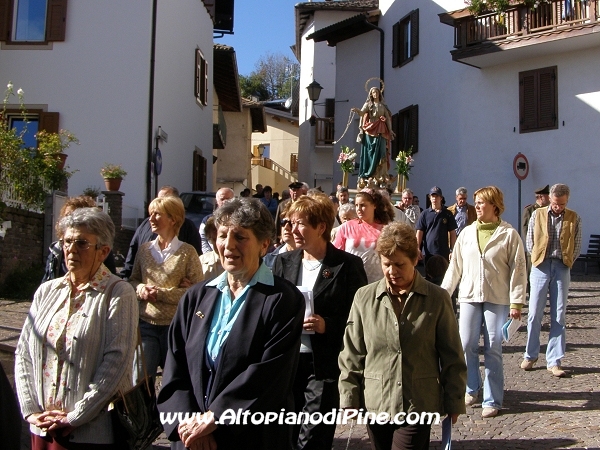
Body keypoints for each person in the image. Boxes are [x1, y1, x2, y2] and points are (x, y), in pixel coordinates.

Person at [157, 198, 305, 449]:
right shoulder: (196, 297)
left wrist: (214, 419)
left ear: (264, 245)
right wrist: (188, 424)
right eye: (223, 235)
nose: (228, 245)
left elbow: (270, 375)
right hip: (192, 439)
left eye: (240, 237)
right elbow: (175, 365)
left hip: (250, 438)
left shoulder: (283, 300)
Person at [15, 208, 138, 448]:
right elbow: (23, 353)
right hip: (43, 428)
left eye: (81, 243)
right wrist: (31, 411)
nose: (71, 249)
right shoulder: (47, 291)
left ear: (103, 252)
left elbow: (117, 361)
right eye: (67, 241)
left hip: (90, 432)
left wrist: (76, 416)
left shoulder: (118, 293)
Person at [338, 222, 466, 450]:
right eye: (386, 264)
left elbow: (452, 354)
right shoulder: (364, 298)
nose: (391, 271)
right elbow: (352, 351)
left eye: (399, 264)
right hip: (376, 400)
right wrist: (349, 396)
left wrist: (454, 399)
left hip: (418, 401)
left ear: (416, 259)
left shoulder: (436, 299)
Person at [272, 194, 367, 450]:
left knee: (314, 437)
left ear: (321, 227)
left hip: (324, 364)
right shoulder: (282, 262)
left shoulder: (347, 265)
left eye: (300, 223)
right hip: (287, 362)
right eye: (290, 223)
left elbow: (359, 318)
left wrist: (328, 325)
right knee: (286, 435)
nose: (293, 230)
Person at [442, 186, 527, 418]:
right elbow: (455, 267)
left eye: (481, 202)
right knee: (466, 343)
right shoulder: (467, 233)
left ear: (495, 206)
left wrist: (516, 302)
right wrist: (442, 294)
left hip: (497, 298)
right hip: (469, 295)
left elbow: (518, 270)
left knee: (493, 348)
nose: (476, 206)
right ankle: (472, 387)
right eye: (476, 202)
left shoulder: (509, 235)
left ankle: (493, 398)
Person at [129, 195, 204, 380]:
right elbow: (133, 280)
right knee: (141, 381)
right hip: (146, 324)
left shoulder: (187, 252)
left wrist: (160, 294)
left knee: (174, 382)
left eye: (157, 214)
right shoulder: (145, 250)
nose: (151, 219)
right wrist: (140, 289)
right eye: (150, 214)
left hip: (175, 327)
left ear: (173, 219)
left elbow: (197, 292)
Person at [521, 183, 581, 378]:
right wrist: (536, 258)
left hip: (562, 266)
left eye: (562, 204)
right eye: (556, 203)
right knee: (534, 312)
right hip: (540, 265)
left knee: (559, 313)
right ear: (550, 199)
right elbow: (529, 239)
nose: (558, 207)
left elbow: (577, 243)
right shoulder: (538, 214)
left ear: (567, 201)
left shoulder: (574, 217)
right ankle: (530, 355)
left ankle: (554, 360)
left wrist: (569, 260)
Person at [121, 185, 201, 279]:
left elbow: (196, 278)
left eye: (165, 200)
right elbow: (132, 258)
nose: (152, 219)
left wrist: (187, 286)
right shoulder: (145, 234)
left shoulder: (188, 238)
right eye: (159, 199)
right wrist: (137, 286)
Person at [43, 195, 117, 282]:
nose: (71, 249)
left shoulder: (100, 249)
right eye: (66, 216)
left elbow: (108, 279)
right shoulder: (56, 249)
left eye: (82, 243)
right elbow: (47, 279)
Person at [333, 188, 394, 283]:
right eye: (356, 205)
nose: (358, 209)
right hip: (350, 280)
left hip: (376, 281)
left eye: (363, 205)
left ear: (374, 205)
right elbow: (336, 255)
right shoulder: (346, 227)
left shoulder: (385, 229)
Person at [351, 86, 395, 188]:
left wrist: (390, 130)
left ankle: (381, 175)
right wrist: (357, 110)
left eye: (376, 92)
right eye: (373, 93)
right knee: (370, 152)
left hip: (381, 130)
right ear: (371, 94)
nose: (375, 94)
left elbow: (388, 118)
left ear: (379, 93)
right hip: (370, 129)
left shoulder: (383, 106)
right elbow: (362, 113)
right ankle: (369, 174)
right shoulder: (368, 105)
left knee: (382, 152)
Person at [416, 186, 458, 263]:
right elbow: (419, 232)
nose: (435, 198)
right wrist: (417, 248)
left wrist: (453, 250)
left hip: (443, 252)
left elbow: (452, 233)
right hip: (428, 252)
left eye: (437, 196)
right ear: (429, 197)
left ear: (441, 198)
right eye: (433, 196)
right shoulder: (424, 214)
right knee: (429, 274)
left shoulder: (447, 214)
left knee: (443, 274)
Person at [522, 185, 550, 277]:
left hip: (547, 249)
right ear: (541, 197)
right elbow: (525, 228)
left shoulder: (549, 210)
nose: (550, 198)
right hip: (534, 247)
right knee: (532, 275)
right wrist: (531, 245)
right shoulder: (530, 210)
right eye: (548, 196)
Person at [200, 187, 235, 254]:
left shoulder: (241, 219)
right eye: (222, 199)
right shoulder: (207, 220)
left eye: (228, 199)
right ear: (217, 201)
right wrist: (209, 255)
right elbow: (203, 239)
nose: (225, 201)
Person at [264, 201, 297, 269]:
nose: (286, 227)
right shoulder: (268, 260)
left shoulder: (310, 259)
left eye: (291, 223)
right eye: (283, 222)